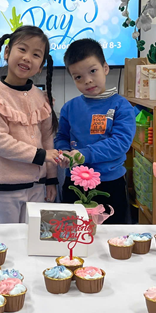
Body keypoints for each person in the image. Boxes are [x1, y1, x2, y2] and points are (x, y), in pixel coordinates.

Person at [0, 25, 60, 223]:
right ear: (7, 52)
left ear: (40, 66)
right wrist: (40, 155)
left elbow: (48, 140)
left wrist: (51, 179)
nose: (27, 58)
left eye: (36, 54)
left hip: (37, 186)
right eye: (22, 49)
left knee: (34, 236)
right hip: (7, 188)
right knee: (10, 237)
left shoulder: (42, 98)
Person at [55, 38, 136, 224]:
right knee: (73, 233)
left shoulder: (121, 105)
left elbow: (120, 143)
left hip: (110, 183)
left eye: (93, 71)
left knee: (111, 236)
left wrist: (84, 154)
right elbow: (61, 137)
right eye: (78, 77)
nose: (88, 80)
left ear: (105, 68)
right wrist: (64, 152)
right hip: (74, 183)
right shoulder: (69, 107)